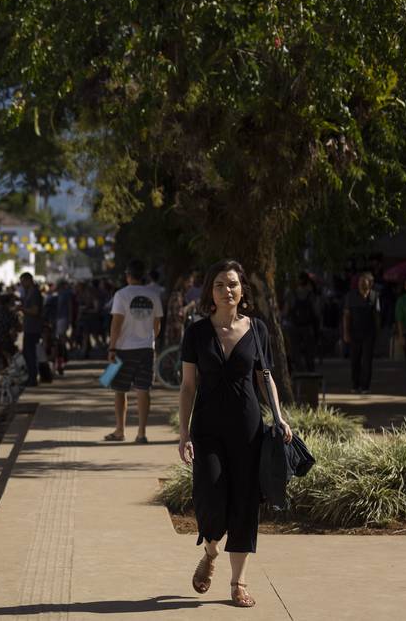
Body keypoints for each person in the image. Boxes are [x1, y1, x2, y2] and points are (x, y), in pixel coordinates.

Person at [177, 260, 292, 609]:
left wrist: (279, 417)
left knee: (244, 503)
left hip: (248, 428)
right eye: (219, 285)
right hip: (208, 429)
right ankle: (211, 550)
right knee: (210, 497)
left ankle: (238, 581)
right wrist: (184, 433)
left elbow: (265, 376)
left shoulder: (257, 329)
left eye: (232, 284)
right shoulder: (196, 332)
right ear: (209, 292)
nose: (227, 290)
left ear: (243, 290)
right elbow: (187, 386)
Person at [105, 259, 163, 443]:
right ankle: (141, 433)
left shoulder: (121, 295)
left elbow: (116, 323)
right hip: (146, 348)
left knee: (120, 390)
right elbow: (157, 324)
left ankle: (120, 430)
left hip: (124, 348)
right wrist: (150, 339)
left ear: (128, 276)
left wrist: (112, 347)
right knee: (143, 389)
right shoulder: (153, 295)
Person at [343, 272, 380, 394]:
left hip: (369, 332)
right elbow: (347, 315)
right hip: (354, 332)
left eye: (364, 283)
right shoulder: (351, 296)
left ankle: (365, 386)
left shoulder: (375, 296)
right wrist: (346, 332)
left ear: (370, 284)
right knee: (355, 359)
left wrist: (377, 331)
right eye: (360, 282)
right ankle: (355, 384)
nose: (362, 285)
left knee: (367, 360)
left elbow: (377, 315)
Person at [285, 273, 320, 372]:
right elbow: (316, 312)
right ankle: (310, 371)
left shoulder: (291, 294)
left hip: (294, 326)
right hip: (308, 327)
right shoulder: (311, 295)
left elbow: (286, 311)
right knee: (309, 351)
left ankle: (299, 372)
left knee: (295, 351)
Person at [19, 272, 44, 386]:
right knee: (27, 353)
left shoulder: (34, 293)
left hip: (33, 328)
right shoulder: (29, 293)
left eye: (23, 281)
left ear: (29, 280)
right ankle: (30, 376)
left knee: (30, 354)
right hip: (29, 327)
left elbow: (35, 311)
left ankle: (32, 378)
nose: (22, 284)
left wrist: (22, 309)